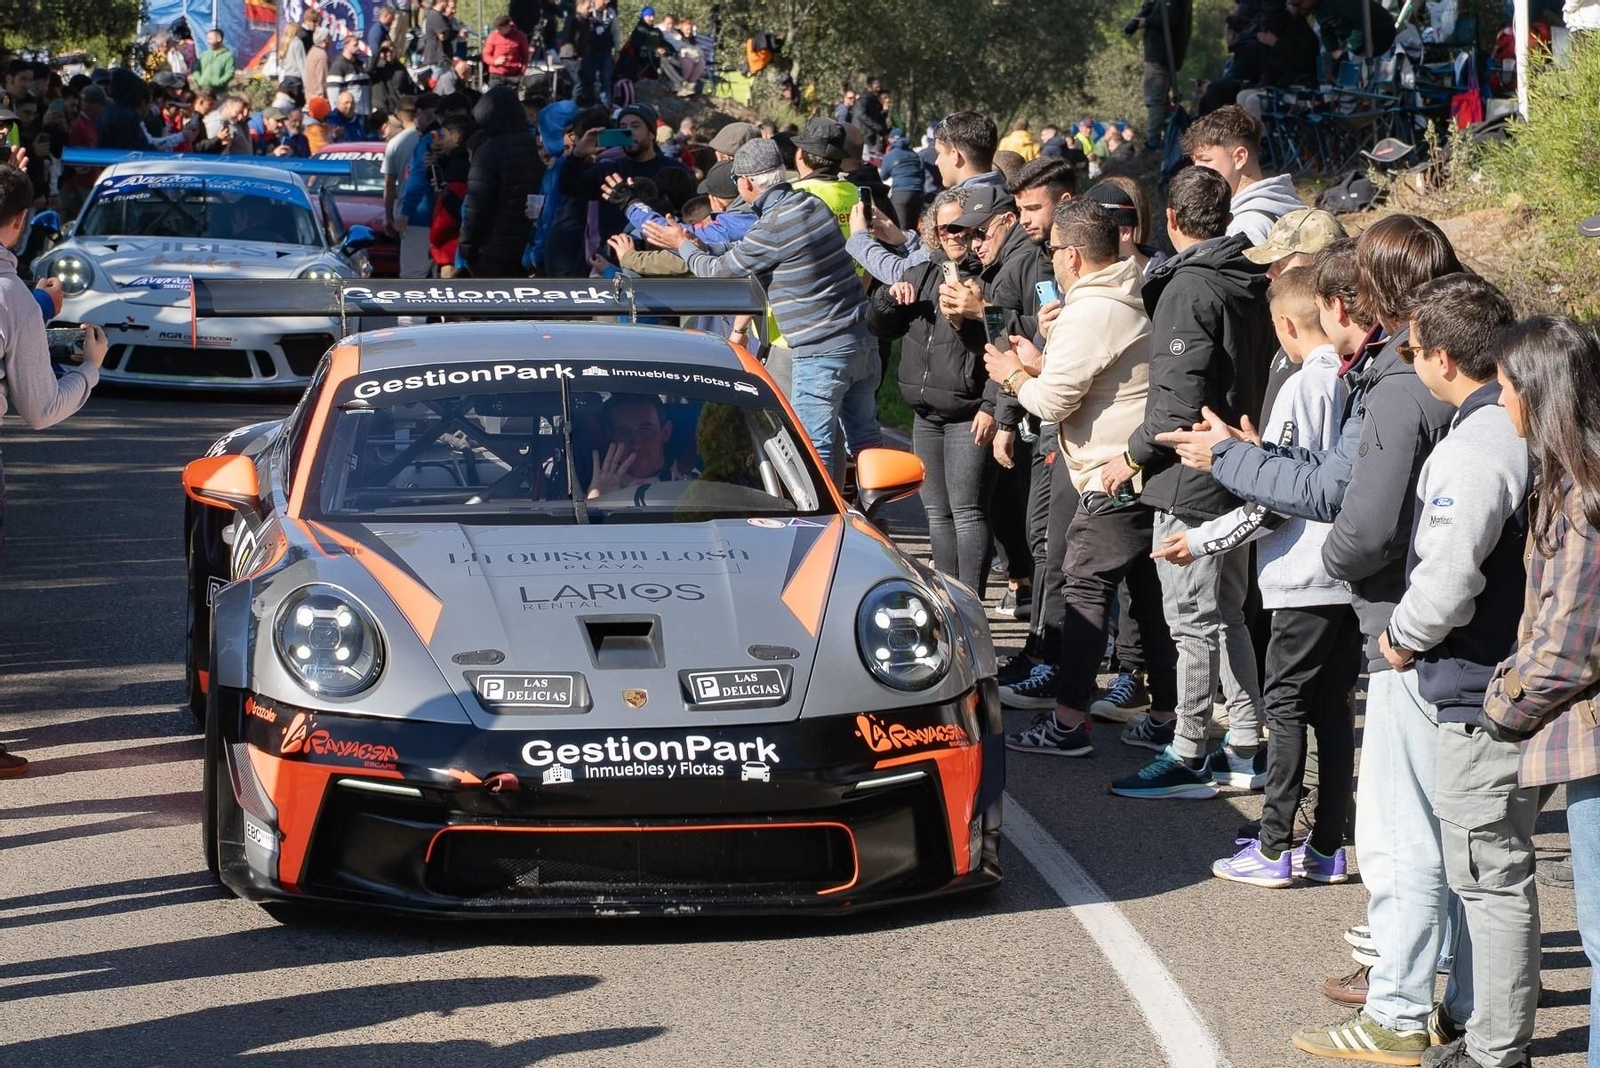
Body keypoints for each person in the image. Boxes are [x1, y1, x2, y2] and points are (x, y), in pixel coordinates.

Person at [1165, 216, 1463, 1060]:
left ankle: (1291, 855)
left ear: (1339, 308)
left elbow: (1329, 500)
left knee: (1316, 726)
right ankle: (1348, 877)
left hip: (1343, 597)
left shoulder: (1366, 383)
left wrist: (1224, 478)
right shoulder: (1382, 378)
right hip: (1372, 604)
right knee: (1340, 723)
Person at [1371, 274, 1533, 1068]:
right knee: (1493, 869)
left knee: (1489, 877)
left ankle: (1496, 1048)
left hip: (1479, 685)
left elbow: (1445, 580)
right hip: (1516, 677)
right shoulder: (1526, 425)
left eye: (1412, 350)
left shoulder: (1476, 447)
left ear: (1438, 357)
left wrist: (1401, 636)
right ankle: (1486, 1028)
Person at [1164, 265, 1357, 882]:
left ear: (1283, 325)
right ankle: (1327, 845)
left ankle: (1275, 845)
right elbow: (1303, 466)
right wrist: (1257, 451)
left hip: (1303, 577)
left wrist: (1201, 538)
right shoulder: (1355, 379)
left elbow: (1278, 499)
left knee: (1287, 708)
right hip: (1346, 575)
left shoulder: (1304, 385)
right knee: (1331, 710)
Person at [1098, 163, 1274, 797]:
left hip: (1192, 472)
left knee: (1194, 616)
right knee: (1225, 610)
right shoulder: (1249, 275)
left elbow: (1174, 407)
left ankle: (1190, 748)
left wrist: (1133, 456)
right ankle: (1248, 739)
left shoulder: (1190, 287)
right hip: (1238, 461)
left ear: (1169, 222)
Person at [987, 197, 1175, 758]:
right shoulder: (1129, 288)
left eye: (1052, 253)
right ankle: (1165, 715)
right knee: (1146, 597)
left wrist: (1015, 375)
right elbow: (1098, 377)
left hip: (1110, 474)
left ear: (1070, 256)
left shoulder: (1089, 310)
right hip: (1142, 468)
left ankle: (1068, 723)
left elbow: (1050, 403)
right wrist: (1043, 363)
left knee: (1082, 589)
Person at [1482, 314, 1600, 1068]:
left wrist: (1505, 700)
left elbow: (1567, 648)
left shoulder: (1584, 498)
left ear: (1538, 394)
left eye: (1504, 390)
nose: (1499, 405)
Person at [647, 137, 881, 483]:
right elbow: (753, 249)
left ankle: (826, 526)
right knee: (866, 445)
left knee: (812, 453)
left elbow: (718, 272)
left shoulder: (774, 226)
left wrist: (681, 244)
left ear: (746, 183)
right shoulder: (810, 205)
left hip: (820, 352)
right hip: (861, 341)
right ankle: (875, 517)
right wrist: (702, 243)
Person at [0, 163, 109, 777]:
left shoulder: (19, 297)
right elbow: (40, 409)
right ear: (18, 223)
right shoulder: (13, 297)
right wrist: (88, 368)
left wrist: (39, 302)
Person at [867, 189, 994, 592]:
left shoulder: (989, 275)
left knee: (968, 511)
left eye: (962, 227)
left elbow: (1002, 343)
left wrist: (993, 406)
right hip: (925, 414)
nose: (955, 235)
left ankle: (970, 604)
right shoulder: (922, 271)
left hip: (969, 411)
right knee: (936, 513)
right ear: (934, 233)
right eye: (946, 229)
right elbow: (880, 325)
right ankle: (947, 597)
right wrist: (888, 299)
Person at [559, 102, 690, 243]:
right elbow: (569, 187)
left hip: (660, 255)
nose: (629, 132)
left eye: (635, 126)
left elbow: (690, 213)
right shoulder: (608, 170)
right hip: (614, 257)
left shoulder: (674, 170)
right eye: (623, 127)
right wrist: (578, 154)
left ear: (651, 133)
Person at [1182, 106, 1303, 245]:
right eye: (1194, 161)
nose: (1197, 170)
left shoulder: (1245, 230)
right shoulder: (1285, 203)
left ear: (1239, 158)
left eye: (1206, 160)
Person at [461, 86, 543, 278]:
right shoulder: (537, 145)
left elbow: (476, 205)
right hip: (530, 245)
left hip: (493, 249)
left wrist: (467, 246)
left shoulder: (488, 151)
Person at [587, 395, 689, 497]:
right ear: (611, 437)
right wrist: (599, 503)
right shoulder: (592, 488)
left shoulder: (695, 487)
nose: (636, 444)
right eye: (624, 433)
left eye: (646, 431)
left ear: (666, 432)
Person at [1127, 0, 1192, 148]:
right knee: (1161, 100)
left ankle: (1153, 140)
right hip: (1166, 56)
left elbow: (1169, 20)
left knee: (1154, 100)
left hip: (1159, 56)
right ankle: (1163, 137)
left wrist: (1146, 21)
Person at [878, 129, 924, 229]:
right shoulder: (914, 154)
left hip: (901, 194)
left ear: (890, 140)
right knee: (914, 229)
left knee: (901, 229)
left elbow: (883, 176)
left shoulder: (890, 155)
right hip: (918, 193)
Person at [327, 35, 372, 118]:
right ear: (346, 46)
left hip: (365, 114)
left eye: (358, 45)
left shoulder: (361, 65)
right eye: (355, 45)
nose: (358, 48)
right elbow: (333, 94)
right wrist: (338, 116)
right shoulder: (338, 66)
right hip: (350, 115)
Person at [484, 14, 531, 87]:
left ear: (507, 26)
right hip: (496, 75)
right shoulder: (492, 36)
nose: (498, 31)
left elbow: (525, 56)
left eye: (500, 28)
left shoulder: (521, 37)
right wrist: (495, 61)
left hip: (514, 76)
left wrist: (522, 72)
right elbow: (486, 55)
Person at [193, 27, 235, 93]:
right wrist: (200, 81)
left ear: (219, 39)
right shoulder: (204, 54)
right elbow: (196, 69)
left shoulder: (228, 56)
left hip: (219, 93)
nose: (208, 42)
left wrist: (219, 83)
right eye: (207, 39)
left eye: (210, 39)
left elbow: (230, 72)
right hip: (203, 90)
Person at [304, 27, 332, 104]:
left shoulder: (312, 52)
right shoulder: (321, 55)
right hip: (319, 100)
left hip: (310, 97)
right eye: (329, 37)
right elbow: (322, 79)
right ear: (325, 39)